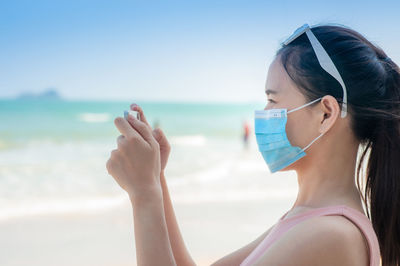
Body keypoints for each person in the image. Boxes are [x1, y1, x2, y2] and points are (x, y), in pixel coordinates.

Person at [106, 23, 400, 266]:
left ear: (326, 113)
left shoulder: (331, 234)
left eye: (273, 100)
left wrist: (144, 194)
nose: (263, 114)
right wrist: (155, 178)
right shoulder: (308, 219)